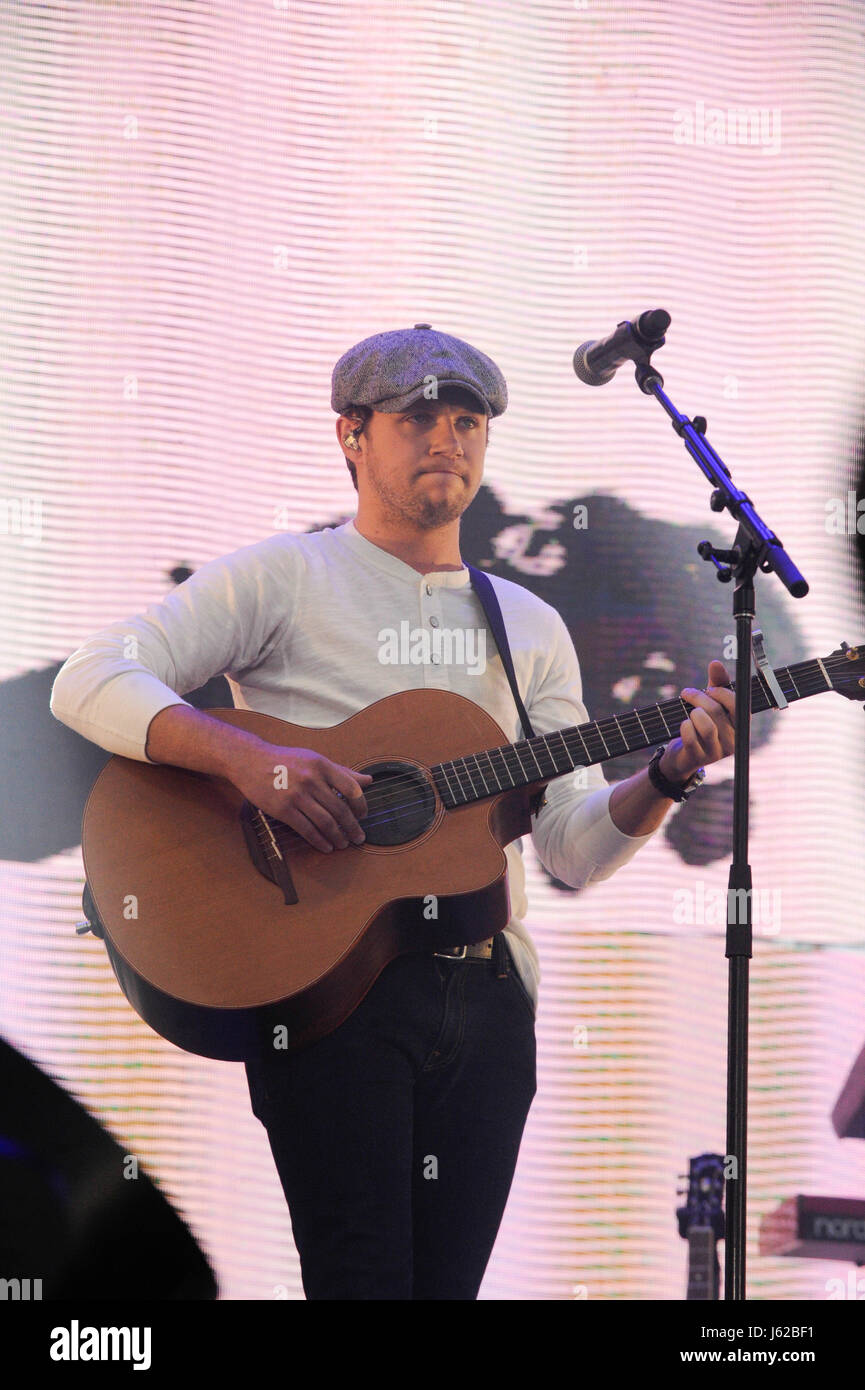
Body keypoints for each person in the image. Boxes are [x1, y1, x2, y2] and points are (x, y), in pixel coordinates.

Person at [50, 323, 736, 1299]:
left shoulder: (528, 627)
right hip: (336, 994)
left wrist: (665, 775)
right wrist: (252, 762)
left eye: (466, 421)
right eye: (417, 417)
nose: (445, 438)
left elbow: (571, 852)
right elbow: (89, 678)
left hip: (491, 996)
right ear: (352, 436)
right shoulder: (285, 577)